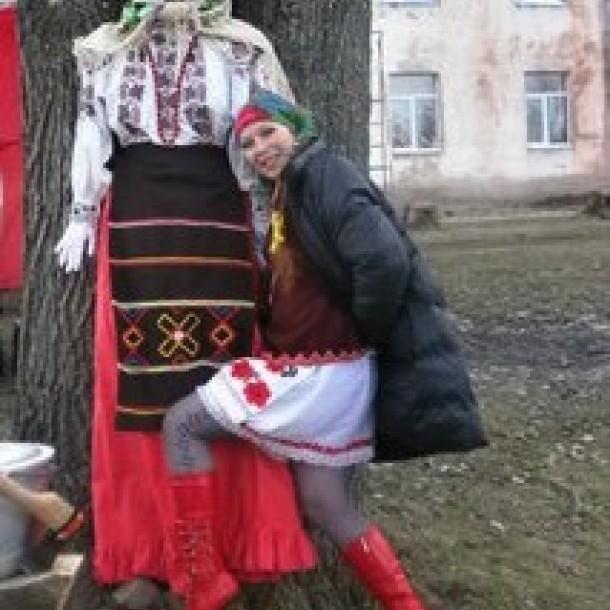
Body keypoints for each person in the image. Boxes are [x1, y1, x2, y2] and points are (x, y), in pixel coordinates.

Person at [162, 91, 487, 610]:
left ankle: (203, 584)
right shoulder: (292, 189)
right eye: (247, 143)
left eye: (268, 132)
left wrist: (360, 332)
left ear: (298, 128)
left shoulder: (326, 175)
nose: (259, 148)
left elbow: (382, 260)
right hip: (328, 372)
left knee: (181, 424)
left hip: (321, 371)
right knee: (324, 501)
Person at [54, 2, 316, 607]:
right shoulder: (104, 50)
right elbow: (92, 130)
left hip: (218, 222)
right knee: (141, 393)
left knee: (226, 387)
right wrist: (80, 211)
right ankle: (153, 552)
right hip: (137, 227)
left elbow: (272, 139)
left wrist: (267, 225)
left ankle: (232, 545)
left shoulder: (245, 48)